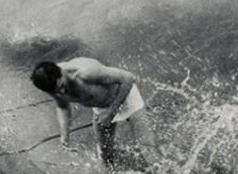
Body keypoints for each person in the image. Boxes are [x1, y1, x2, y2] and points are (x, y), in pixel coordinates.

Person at [30, 57, 158, 166]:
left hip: (126, 99)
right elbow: (63, 106)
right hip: (101, 109)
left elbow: (128, 78)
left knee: (148, 150)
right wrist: (65, 137)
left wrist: (110, 113)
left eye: (62, 87)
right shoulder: (49, 83)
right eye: (56, 92)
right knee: (105, 156)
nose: (62, 93)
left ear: (61, 74)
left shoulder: (85, 73)